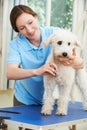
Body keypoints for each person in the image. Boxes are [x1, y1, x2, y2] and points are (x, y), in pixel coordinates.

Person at [7, 5, 84, 106]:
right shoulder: (16, 44)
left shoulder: (56, 33)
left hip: (54, 99)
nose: (29, 30)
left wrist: (73, 61)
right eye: (22, 28)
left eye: (30, 22)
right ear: (18, 30)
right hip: (25, 100)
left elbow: (80, 64)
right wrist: (37, 71)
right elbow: (10, 73)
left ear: (36, 17)